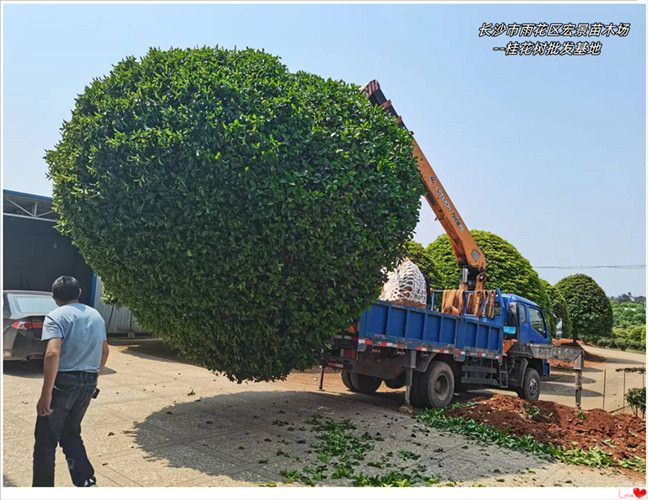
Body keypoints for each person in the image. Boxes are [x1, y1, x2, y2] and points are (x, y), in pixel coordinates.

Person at [32, 276, 109, 487]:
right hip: (89, 381)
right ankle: (85, 480)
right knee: (70, 431)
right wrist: (92, 377)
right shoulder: (96, 316)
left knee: (45, 440)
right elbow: (104, 351)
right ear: (80, 293)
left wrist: (46, 393)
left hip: (64, 382)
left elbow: (52, 353)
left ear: (55, 297)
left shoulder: (55, 316)